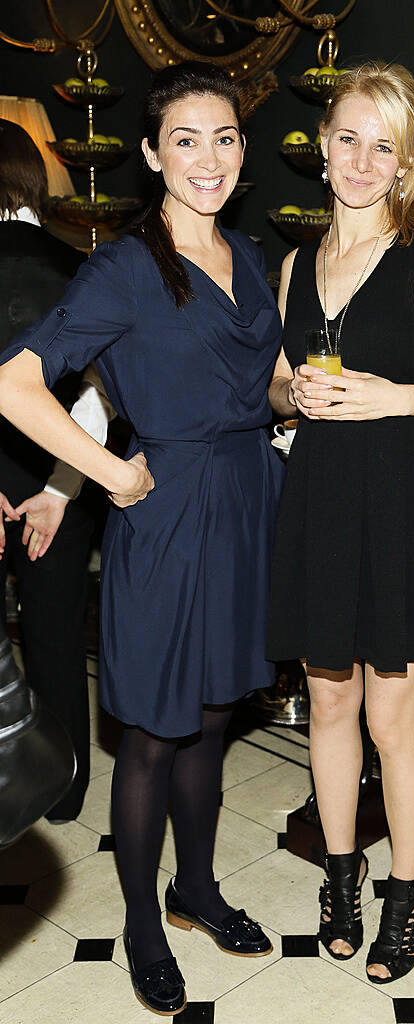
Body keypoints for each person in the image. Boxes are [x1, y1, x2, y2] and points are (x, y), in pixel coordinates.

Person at [0, 63, 283, 1016]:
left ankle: (194, 890)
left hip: (249, 503)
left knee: (210, 718)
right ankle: (142, 926)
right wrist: (107, 472)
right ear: (155, 154)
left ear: (243, 154)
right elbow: (16, 383)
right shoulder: (122, 267)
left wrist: (297, 396)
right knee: (154, 737)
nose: (210, 157)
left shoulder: (249, 253)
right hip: (163, 516)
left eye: (227, 137)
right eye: (188, 139)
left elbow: (256, 382)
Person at [267, 61, 414, 983]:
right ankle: (341, 875)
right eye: (349, 138)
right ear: (323, 149)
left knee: (395, 716)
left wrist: (391, 398)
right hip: (322, 496)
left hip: (403, 500)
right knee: (328, 700)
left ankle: (405, 897)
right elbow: (279, 384)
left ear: (404, 164)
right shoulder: (295, 264)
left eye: (385, 146)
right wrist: (293, 393)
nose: (364, 160)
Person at [0, 118, 113, 822]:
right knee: (56, 634)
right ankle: (65, 790)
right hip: (58, 481)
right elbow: (102, 393)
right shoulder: (82, 265)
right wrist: (57, 489)